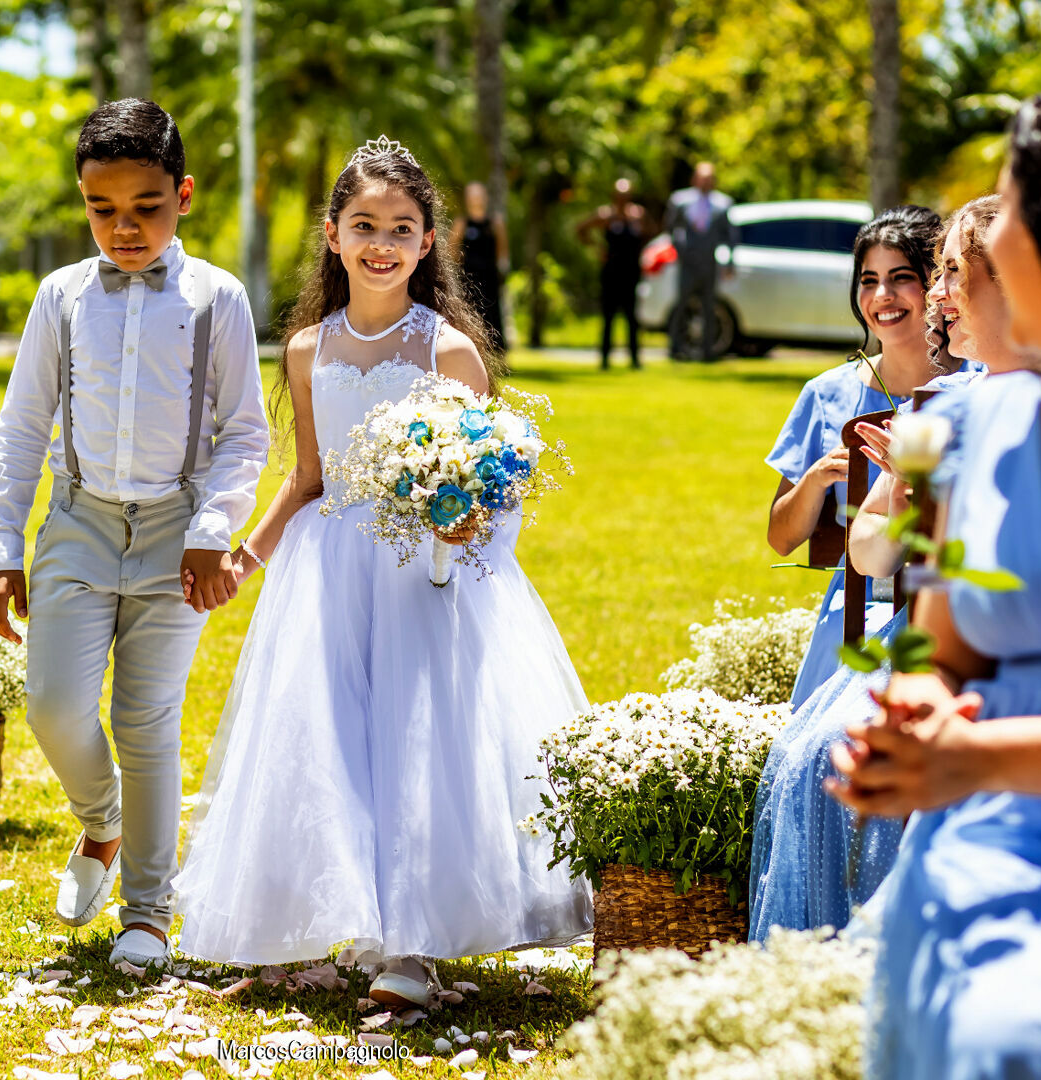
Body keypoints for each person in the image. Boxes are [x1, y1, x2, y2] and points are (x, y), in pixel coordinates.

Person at [172, 136, 593, 1007]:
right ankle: (337, 922)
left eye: (401, 227)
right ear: (331, 235)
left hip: (420, 571)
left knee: (417, 740)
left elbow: (486, 481)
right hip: (328, 568)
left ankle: (416, 944)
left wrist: (462, 521)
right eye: (363, 224)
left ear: (428, 241)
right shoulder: (305, 347)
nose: (381, 243)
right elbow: (309, 475)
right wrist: (250, 551)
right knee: (328, 738)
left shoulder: (448, 353)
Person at [0, 99, 270, 969]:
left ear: (182, 196)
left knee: (147, 719)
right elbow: (22, 427)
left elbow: (245, 432)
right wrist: (2, 548)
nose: (124, 228)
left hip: (178, 531)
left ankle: (148, 907)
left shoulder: (217, 298)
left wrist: (212, 528)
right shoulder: (61, 297)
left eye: (145, 207)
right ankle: (99, 823)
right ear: (82, 202)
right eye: (102, 210)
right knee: (53, 705)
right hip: (76, 524)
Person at [827, 90, 1041, 1080]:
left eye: (1000, 211)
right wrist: (909, 715)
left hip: (1023, 818)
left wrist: (973, 757)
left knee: (1008, 1040)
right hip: (979, 831)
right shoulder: (979, 424)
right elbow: (936, 641)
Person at [747, 196, 1019, 943]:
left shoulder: (993, 396)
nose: (895, 297)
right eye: (868, 280)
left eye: (921, 275)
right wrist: (850, 484)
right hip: (879, 613)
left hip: (970, 633)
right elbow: (804, 540)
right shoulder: (847, 396)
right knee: (809, 756)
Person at [765, 206, 964, 712]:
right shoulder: (825, 393)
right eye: (868, 280)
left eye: (902, 279)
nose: (882, 298)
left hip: (950, 611)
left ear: (934, 285)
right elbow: (781, 538)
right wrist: (813, 481)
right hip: (856, 611)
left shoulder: (980, 384)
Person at [663, 162, 735, 361]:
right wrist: (680, 250)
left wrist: (729, 262)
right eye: (702, 178)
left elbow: (730, 235)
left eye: (709, 178)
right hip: (687, 263)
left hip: (709, 263)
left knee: (710, 307)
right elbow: (670, 229)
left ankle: (707, 351)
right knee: (680, 305)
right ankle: (675, 348)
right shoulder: (680, 200)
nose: (705, 182)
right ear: (694, 179)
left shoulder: (723, 203)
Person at [576, 178, 647, 370]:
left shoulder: (638, 215)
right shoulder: (606, 215)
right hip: (612, 272)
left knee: (632, 316)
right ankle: (605, 359)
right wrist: (598, 248)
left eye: (626, 196)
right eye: (619, 196)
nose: (623, 199)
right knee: (608, 316)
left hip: (631, 272)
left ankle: (635, 359)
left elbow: (650, 232)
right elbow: (581, 229)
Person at [449, 181, 508, 353]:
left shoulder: (495, 223)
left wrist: (501, 269)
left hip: (490, 277)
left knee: (493, 314)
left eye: (479, 195)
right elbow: (452, 249)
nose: (476, 199)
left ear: (485, 198)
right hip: (468, 278)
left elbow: (502, 250)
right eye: (472, 195)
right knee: (470, 313)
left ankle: (497, 354)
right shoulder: (462, 223)